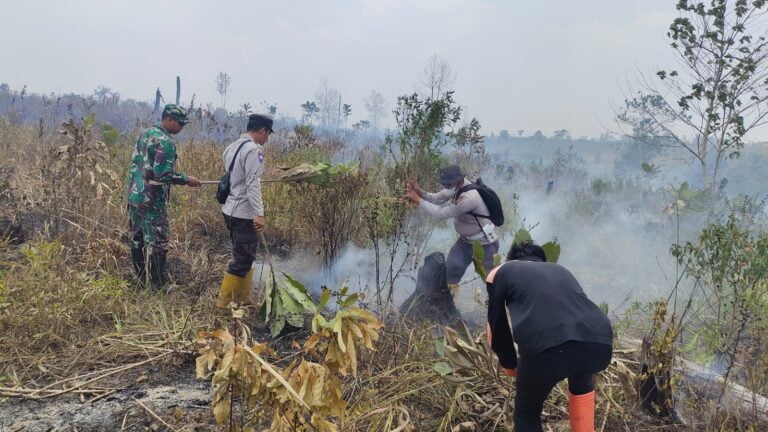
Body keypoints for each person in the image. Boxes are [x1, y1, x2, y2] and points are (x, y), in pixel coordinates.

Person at [485, 242, 613, 432]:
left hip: (545, 349)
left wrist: (510, 364)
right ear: (542, 260)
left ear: (510, 259)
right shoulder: (560, 269)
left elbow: (496, 323)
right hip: (599, 342)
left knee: (526, 414)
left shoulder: (501, 271)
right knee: (581, 377)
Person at [126, 104, 201, 288]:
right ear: (168, 119)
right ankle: (157, 286)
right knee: (158, 243)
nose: (182, 127)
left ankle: (141, 279)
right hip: (152, 201)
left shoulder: (145, 133)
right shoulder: (165, 142)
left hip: (135, 197)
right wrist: (186, 179)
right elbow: (163, 175)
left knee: (138, 238)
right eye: (180, 123)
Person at [405, 165, 499, 296]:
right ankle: (448, 305)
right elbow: (436, 198)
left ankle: (499, 307)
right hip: (465, 242)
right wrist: (419, 192)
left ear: (459, 181)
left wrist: (418, 200)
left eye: (448, 184)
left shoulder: (469, 198)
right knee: (449, 274)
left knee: (491, 279)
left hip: (486, 245)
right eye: (444, 184)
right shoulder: (454, 187)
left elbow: (440, 213)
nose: (446, 187)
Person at [216, 113, 273, 307]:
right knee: (243, 258)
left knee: (245, 255)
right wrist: (259, 213)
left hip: (230, 209)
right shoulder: (253, 151)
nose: (267, 138)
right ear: (262, 131)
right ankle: (224, 304)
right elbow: (252, 184)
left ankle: (242, 299)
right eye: (268, 134)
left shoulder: (232, 146)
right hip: (243, 212)